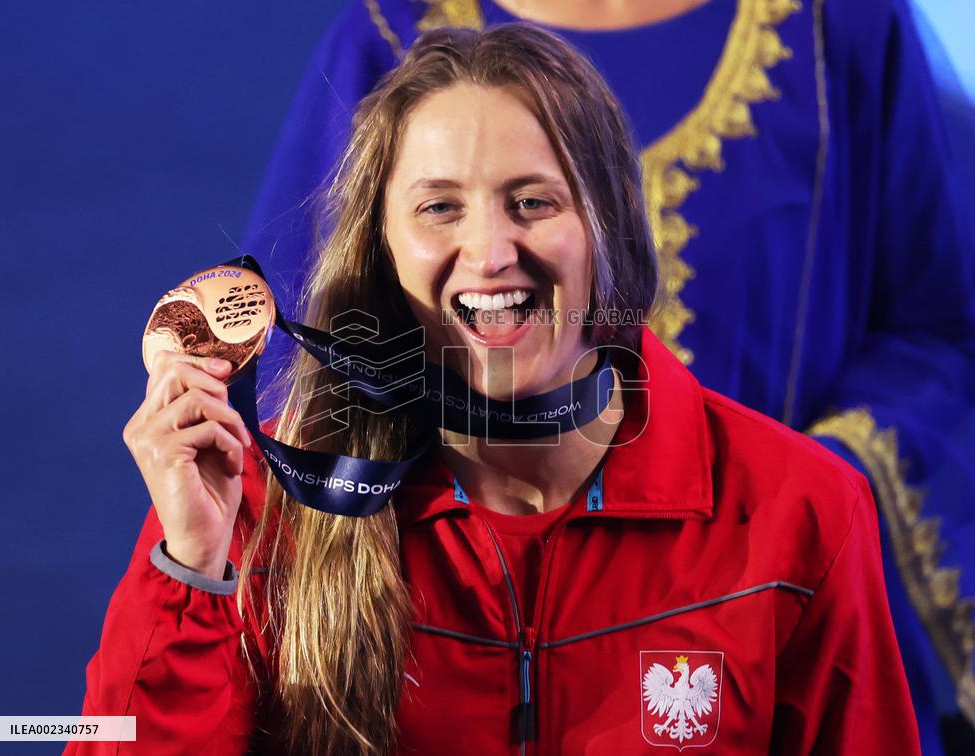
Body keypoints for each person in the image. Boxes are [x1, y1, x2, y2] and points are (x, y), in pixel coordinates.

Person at [70, 23, 920, 755]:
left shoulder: (799, 512)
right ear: (381, 249)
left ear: (609, 226)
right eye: (439, 208)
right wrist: (191, 571)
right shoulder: (258, 503)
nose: (489, 253)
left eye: (532, 202)